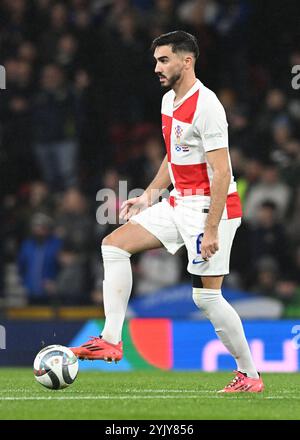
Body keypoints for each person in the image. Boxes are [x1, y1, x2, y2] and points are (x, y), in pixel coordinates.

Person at [71, 31, 264, 393]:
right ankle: (111, 339)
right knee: (113, 245)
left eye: (164, 60)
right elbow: (174, 155)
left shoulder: (207, 106)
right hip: (179, 202)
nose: (157, 68)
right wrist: (149, 195)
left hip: (212, 210)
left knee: (206, 298)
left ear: (186, 61)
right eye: (156, 60)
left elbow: (222, 172)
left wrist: (209, 230)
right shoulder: (168, 102)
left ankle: (250, 375)